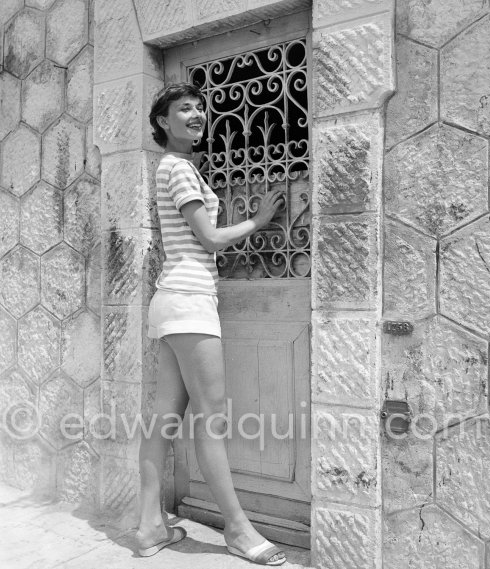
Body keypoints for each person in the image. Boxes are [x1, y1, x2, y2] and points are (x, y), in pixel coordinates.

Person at [136, 82, 286, 566]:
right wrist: (259, 220)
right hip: (189, 300)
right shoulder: (178, 168)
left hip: (174, 299)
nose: (197, 115)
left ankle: (149, 526)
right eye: (185, 109)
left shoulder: (176, 168)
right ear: (163, 122)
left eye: (200, 108)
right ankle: (239, 532)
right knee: (212, 418)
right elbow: (212, 238)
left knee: (165, 415)